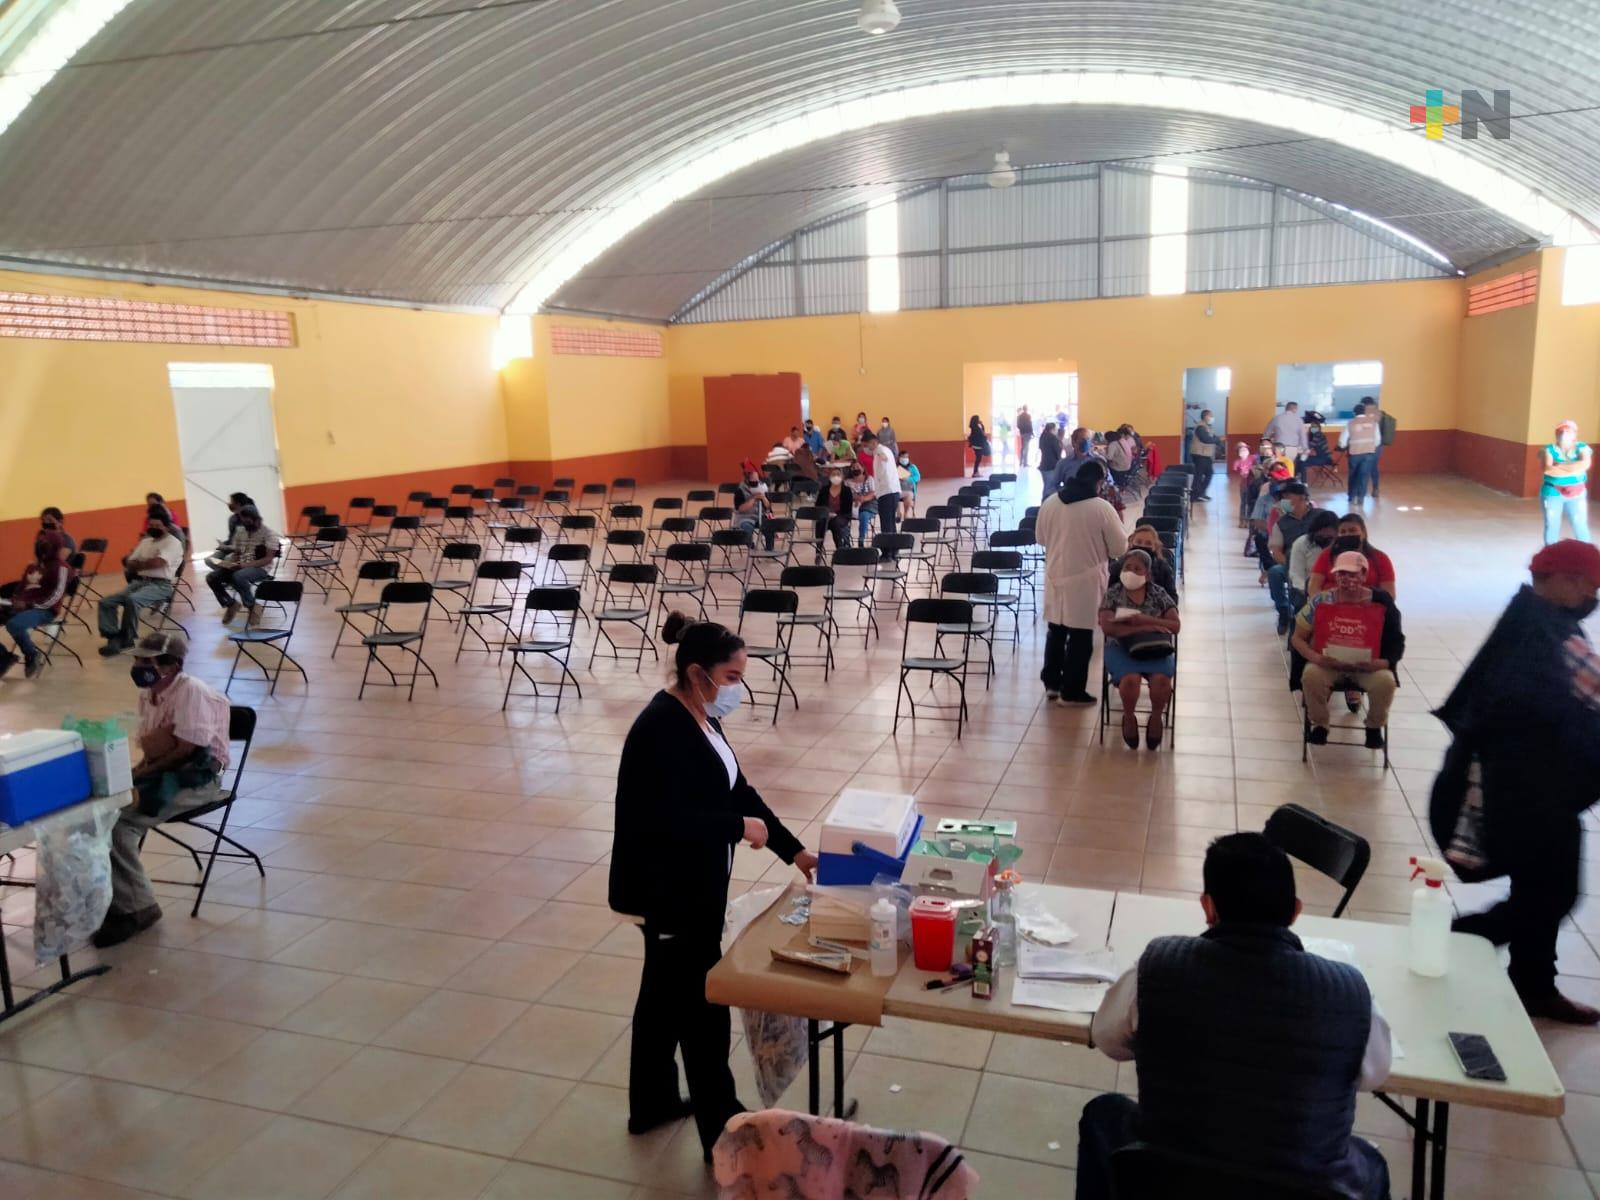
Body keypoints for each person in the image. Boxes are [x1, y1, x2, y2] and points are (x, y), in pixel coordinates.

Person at [1078, 833, 1392, 1200]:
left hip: (1173, 1178)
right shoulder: (1348, 993)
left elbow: (1107, 1038)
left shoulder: (1159, 968)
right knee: (1370, 1163)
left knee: (1104, 1114)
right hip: (1301, 1185)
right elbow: (1374, 1074)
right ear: (1295, 911)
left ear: (1208, 908)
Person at [610, 614, 817, 1159]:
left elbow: (738, 789)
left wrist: (795, 851)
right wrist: (736, 827)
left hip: (692, 885)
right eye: (732, 677)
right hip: (669, 893)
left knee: (661, 1001)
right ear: (697, 673)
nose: (738, 689)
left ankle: (652, 1102)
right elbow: (664, 819)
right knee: (703, 1008)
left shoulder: (700, 717)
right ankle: (723, 1133)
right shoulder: (661, 729)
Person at [1431, 540, 1600, 1022]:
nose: (1592, 596)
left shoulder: (1534, 620)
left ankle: (1534, 984)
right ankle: (1452, 939)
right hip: (1525, 791)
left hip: (1533, 786)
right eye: (1588, 585)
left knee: (1537, 888)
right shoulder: (1542, 634)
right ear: (1563, 580)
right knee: (1553, 893)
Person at [94, 631, 232, 948]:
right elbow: (155, 747)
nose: (138, 666)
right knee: (102, 810)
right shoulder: (149, 694)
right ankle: (119, 898)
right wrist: (133, 775)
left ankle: (139, 908)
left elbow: (186, 750)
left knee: (119, 823)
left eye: (147, 661)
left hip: (199, 778)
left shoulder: (191, 691)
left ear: (171, 666)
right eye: (137, 659)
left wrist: (141, 776)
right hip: (167, 772)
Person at [1291, 550, 1404, 749]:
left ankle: (1374, 727)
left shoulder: (1381, 603)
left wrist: (1382, 663)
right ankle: (1320, 724)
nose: (1347, 579)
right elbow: (1297, 638)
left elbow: (1397, 641)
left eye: (1353, 574)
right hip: (1327, 664)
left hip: (1368, 667)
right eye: (1341, 573)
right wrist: (1316, 658)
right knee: (1311, 676)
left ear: (1364, 574)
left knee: (1386, 682)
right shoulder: (1320, 601)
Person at [1036, 460, 1127, 704]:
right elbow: (1119, 547)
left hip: (1056, 574)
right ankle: (1072, 690)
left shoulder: (1051, 502)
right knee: (1080, 635)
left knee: (1056, 630)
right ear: (1099, 482)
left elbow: (1040, 538)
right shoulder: (1101, 508)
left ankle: (1052, 683)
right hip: (1086, 580)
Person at [1098, 548, 1180, 749]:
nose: (1131, 572)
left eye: (1137, 568)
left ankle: (1156, 718)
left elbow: (1175, 625)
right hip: (1120, 647)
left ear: (1147, 573)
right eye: (1127, 567)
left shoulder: (1158, 593)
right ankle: (1128, 717)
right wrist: (1141, 628)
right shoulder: (1113, 593)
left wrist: (1145, 620)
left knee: (1162, 682)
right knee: (1130, 681)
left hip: (1155, 647)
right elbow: (1107, 627)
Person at [97, 508, 184, 656]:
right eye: (151, 525)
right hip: (140, 582)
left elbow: (158, 563)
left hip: (161, 585)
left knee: (132, 600)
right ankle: (113, 637)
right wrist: (144, 563)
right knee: (106, 602)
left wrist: (140, 563)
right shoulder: (145, 542)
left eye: (158, 526)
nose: (153, 528)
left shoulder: (173, 543)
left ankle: (128, 639)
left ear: (166, 527)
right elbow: (129, 562)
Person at [0, 528, 72, 680]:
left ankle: (31, 654)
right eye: (38, 540)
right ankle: (4, 657)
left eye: (44, 541)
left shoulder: (62, 568)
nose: (40, 544)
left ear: (55, 544)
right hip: (21, 606)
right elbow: (20, 589)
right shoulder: (32, 567)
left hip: (44, 610)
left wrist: (28, 605)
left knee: (14, 625)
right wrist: (10, 601)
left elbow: (56, 597)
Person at [1266, 482, 1333, 635]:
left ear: (1303, 498)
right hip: (1291, 563)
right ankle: (1283, 610)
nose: (1284, 500)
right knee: (1275, 573)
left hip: (1321, 563)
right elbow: (1276, 551)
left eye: (1288, 496)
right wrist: (1292, 564)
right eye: (1283, 497)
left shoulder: (1321, 516)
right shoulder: (1281, 524)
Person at [205, 505, 279, 622]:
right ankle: (231, 604)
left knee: (238, 576)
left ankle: (252, 606)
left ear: (256, 519)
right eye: (243, 522)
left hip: (260, 568)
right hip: (241, 565)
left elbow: (268, 559)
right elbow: (238, 552)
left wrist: (244, 565)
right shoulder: (241, 531)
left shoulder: (269, 534)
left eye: (247, 522)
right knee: (211, 577)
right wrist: (230, 563)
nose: (244, 525)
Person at [1306, 514, 1397, 598]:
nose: (1347, 534)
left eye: (1352, 530)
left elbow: (1389, 595)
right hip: (1331, 606)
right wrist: (1326, 603)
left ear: (1364, 533)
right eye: (1343, 532)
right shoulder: (1326, 555)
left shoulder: (1380, 558)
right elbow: (1313, 588)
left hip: (1368, 607)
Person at [1540, 419, 1591, 544]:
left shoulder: (1582, 447)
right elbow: (1548, 470)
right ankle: (1550, 553)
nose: (1564, 433)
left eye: (1568, 431)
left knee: (1580, 524)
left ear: (1575, 434)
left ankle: (1586, 552)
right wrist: (1574, 468)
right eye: (1561, 431)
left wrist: (1558, 465)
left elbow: (1584, 464)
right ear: (1556, 433)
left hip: (1577, 493)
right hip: (1552, 492)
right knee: (1551, 525)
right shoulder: (1548, 449)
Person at [1287, 510, 1340, 623]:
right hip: (1304, 589)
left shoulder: (1340, 546)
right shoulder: (1301, 543)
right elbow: (1296, 574)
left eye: (1330, 536)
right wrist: (1311, 595)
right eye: (1322, 533)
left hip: (1333, 590)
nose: (1325, 537)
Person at [1113, 522, 1177, 599]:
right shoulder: (1119, 565)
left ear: (1155, 547)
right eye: (1138, 542)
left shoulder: (1163, 568)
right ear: (1131, 543)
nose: (1143, 546)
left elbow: (1173, 598)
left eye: (1148, 543)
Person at [862, 431, 900, 551]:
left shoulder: (880, 450)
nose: (865, 449)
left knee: (887, 524)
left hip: (887, 492)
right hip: (889, 492)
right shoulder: (880, 451)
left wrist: (881, 455)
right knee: (890, 523)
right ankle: (893, 551)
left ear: (873, 442)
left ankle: (888, 552)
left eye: (866, 445)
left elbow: (884, 457)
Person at [1340, 399, 1381, 506]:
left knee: (1353, 475)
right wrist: (1370, 446)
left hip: (1354, 454)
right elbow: (1377, 440)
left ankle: (1352, 496)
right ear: (1364, 412)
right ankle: (1361, 498)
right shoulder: (1373, 423)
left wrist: (1343, 446)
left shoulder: (1350, 423)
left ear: (1354, 413)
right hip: (1369, 454)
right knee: (1364, 476)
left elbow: (1342, 441)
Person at [731, 464, 775, 550]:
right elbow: (740, 509)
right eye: (753, 480)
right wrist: (753, 499)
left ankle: (769, 550)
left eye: (757, 479)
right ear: (747, 480)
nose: (756, 481)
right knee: (747, 527)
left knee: (769, 526)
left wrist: (764, 498)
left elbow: (768, 507)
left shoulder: (762, 487)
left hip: (760, 516)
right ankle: (751, 548)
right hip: (745, 517)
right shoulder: (740, 490)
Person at [1263, 402, 1306, 477]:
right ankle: (1290, 480)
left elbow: (1266, 435)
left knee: (1278, 468)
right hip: (1292, 449)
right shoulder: (1299, 420)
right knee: (1289, 467)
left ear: (1286, 408)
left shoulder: (1276, 418)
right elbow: (1303, 437)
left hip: (1278, 448)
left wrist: (1266, 448)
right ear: (1295, 409)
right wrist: (1304, 450)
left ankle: (1278, 480)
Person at [1186, 409, 1219, 500]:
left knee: (1207, 473)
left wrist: (1218, 441)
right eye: (1211, 416)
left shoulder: (1207, 426)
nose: (1212, 417)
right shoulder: (1201, 427)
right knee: (1200, 475)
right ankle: (1196, 495)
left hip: (1205, 454)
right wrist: (1217, 440)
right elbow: (1206, 439)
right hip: (1200, 454)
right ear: (1205, 416)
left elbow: (1213, 437)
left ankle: (1199, 493)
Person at [820, 469, 854, 549]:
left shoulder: (847, 490)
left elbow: (848, 508)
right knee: (820, 522)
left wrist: (836, 514)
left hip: (842, 516)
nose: (836, 477)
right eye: (833, 475)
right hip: (827, 515)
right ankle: (819, 550)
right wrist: (826, 512)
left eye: (838, 475)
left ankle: (839, 548)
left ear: (842, 477)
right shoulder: (824, 490)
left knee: (835, 522)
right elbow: (818, 505)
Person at [848, 463, 878, 546]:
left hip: (868, 504)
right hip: (852, 504)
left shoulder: (869, 479)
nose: (855, 468)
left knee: (864, 514)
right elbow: (846, 495)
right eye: (853, 467)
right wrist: (855, 499)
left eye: (857, 467)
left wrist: (862, 499)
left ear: (863, 469)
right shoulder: (847, 482)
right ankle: (845, 541)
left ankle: (861, 539)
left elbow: (872, 493)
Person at [1372, 400, 1397, 498]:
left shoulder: (1372, 417)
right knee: (1374, 467)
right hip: (1380, 445)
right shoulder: (1383, 415)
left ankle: (1359, 492)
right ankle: (1376, 488)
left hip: (1371, 446)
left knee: (1363, 468)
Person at [1036, 421, 1062, 488]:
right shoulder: (1053, 438)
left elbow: (1040, 447)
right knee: (1050, 488)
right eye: (1056, 429)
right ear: (1052, 429)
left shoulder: (1042, 436)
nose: (1057, 431)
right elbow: (1058, 452)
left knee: (1046, 486)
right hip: (1051, 466)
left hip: (1043, 465)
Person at [897, 449, 920, 519]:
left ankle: (906, 514)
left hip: (909, 489)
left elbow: (917, 477)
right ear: (899, 458)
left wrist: (908, 478)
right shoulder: (895, 467)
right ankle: (898, 513)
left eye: (906, 457)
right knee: (892, 495)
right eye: (903, 457)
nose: (905, 459)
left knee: (909, 495)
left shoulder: (912, 467)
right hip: (897, 489)